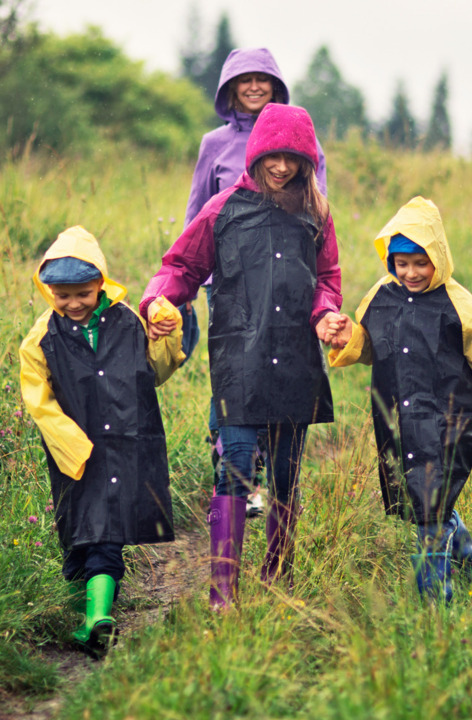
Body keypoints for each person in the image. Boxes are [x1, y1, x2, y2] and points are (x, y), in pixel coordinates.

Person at [142, 104, 346, 610]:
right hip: (238, 361)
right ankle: (222, 593)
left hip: (296, 360)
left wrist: (325, 314)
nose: (282, 167)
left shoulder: (316, 215)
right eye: (273, 157)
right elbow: (180, 268)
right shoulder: (223, 210)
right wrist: (160, 302)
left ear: (307, 161)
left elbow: (328, 280)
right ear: (256, 154)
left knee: (284, 474)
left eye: (294, 159)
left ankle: (278, 575)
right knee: (233, 466)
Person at [328, 196, 472, 601]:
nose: (411, 272)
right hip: (398, 419)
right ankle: (468, 553)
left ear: (438, 256)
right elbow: (371, 345)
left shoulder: (458, 304)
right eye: (402, 264)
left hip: (451, 419)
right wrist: (349, 337)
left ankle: (436, 606)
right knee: (418, 500)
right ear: (391, 262)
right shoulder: (381, 296)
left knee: (429, 508)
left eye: (421, 262)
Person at [19, 226, 185, 655]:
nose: (73, 304)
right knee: (77, 536)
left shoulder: (130, 322)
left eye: (83, 294)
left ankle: (98, 619)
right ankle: (82, 614)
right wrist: (69, 442)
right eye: (62, 295)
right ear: (48, 290)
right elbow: (38, 399)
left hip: (127, 445)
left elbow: (157, 372)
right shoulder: (41, 338)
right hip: (76, 453)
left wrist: (166, 334)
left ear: (100, 285)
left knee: (107, 535)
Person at [180, 47, 329, 520]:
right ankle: (232, 474)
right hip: (228, 281)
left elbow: (313, 208)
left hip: (283, 285)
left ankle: (259, 481)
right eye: (243, 81)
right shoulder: (213, 144)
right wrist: (189, 284)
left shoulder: (305, 144)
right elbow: (198, 213)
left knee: (278, 380)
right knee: (234, 379)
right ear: (228, 89)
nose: (253, 88)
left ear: (276, 86)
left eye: (262, 80)